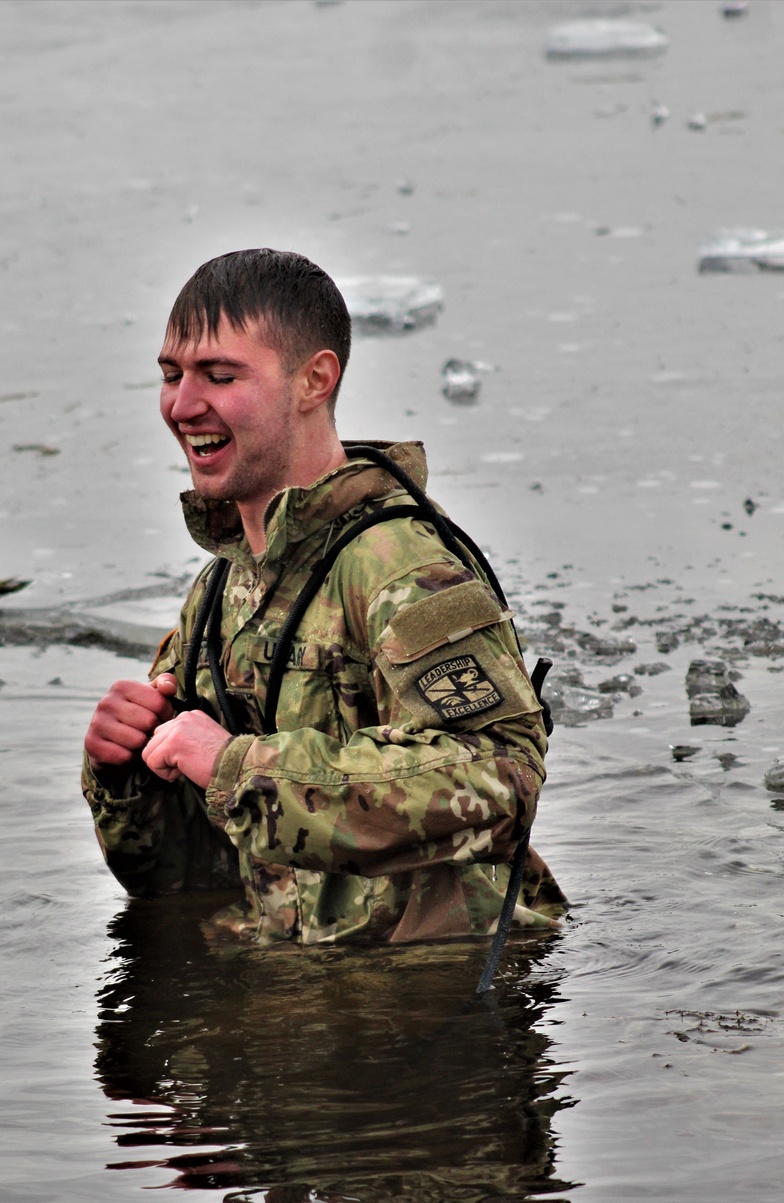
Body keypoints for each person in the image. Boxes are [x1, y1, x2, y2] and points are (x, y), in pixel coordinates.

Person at [82, 248, 566, 945]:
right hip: (302, 986)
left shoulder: (399, 567)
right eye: (171, 375)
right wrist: (127, 775)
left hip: (434, 991)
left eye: (220, 375)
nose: (183, 405)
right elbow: (190, 882)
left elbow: (501, 779)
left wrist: (238, 768)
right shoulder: (222, 590)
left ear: (313, 381)